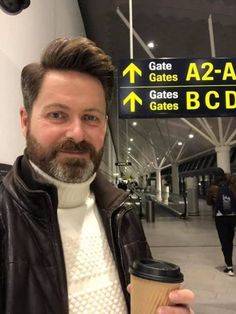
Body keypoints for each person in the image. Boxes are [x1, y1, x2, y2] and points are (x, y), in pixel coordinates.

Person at [0, 37, 194, 313]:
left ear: (103, 125)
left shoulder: (122, 213)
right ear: (25, 121)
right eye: (57, 115)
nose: (77, 134)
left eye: (90, 117)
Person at [207, 168, 236, 276]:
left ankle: (229, 266)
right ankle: (229, 264)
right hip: (233, 217)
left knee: (224, 241)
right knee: (230, 240)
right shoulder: (232, 185)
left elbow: (209, 202)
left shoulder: (213, 187)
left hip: (220, 217)